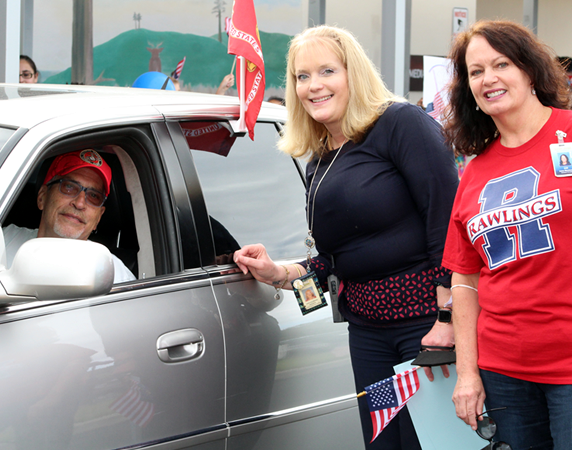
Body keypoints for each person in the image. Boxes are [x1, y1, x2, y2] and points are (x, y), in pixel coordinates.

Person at [233, 25, 459, 450]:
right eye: (302, 76)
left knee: (437, 444)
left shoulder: (401, 123)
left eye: (326, 71)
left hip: (423, 328)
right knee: (385, 445)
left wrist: (447, 321)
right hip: (368, 335)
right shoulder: (321, 156)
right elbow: (335, 259)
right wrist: (279, 272)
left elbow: (448, 225)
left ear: (353, 73)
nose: (313, 86)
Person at [442, 20, 572, 450]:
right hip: (504, 374)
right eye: (476, 72)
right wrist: (467, 372)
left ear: (530, 70)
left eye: (501, 64)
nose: (488, 78)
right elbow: (464, 281)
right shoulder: (474, 172)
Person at [4, 149, 136, 283]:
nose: (79, 203)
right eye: (69, 187)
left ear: (99, 217)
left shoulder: (115, 276)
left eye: (93, 196)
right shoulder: (0, 243)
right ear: (42, 197)